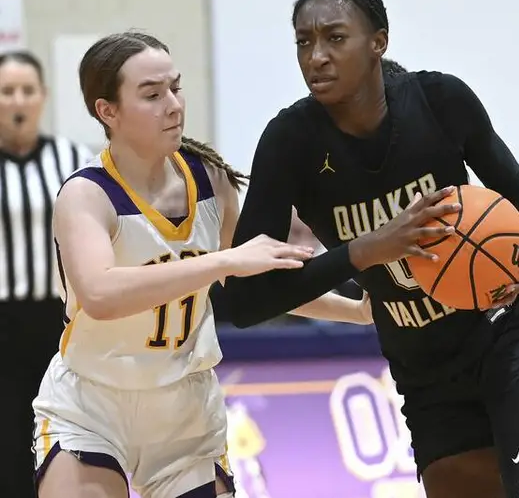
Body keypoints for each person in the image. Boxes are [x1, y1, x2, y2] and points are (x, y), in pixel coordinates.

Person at [222, 0, 519, 498]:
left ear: (379, 42)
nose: (316, 56)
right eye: (304, 42)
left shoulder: (440, 100)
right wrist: (364, 251)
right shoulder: (289, 143)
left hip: (509, 329)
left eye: (334, 38)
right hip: (424, 368)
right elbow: (243, 301)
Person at [31, 31, 373, 498]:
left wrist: (356, 312)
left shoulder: (210, 179)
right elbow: (101, 295)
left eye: (175, 87)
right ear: (107, 111)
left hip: (185, 412)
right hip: (93, 404)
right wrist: (222, 261)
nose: (174, 105)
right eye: (152, 95)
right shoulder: (86, 194)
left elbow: (260, 285)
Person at [0, 50, 92, 498]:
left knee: (57, 429)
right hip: (1, 318)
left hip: (55, 318)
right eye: (7, 91)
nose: (18, 100)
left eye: (27, 90)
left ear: (43, 96)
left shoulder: (71, 158)